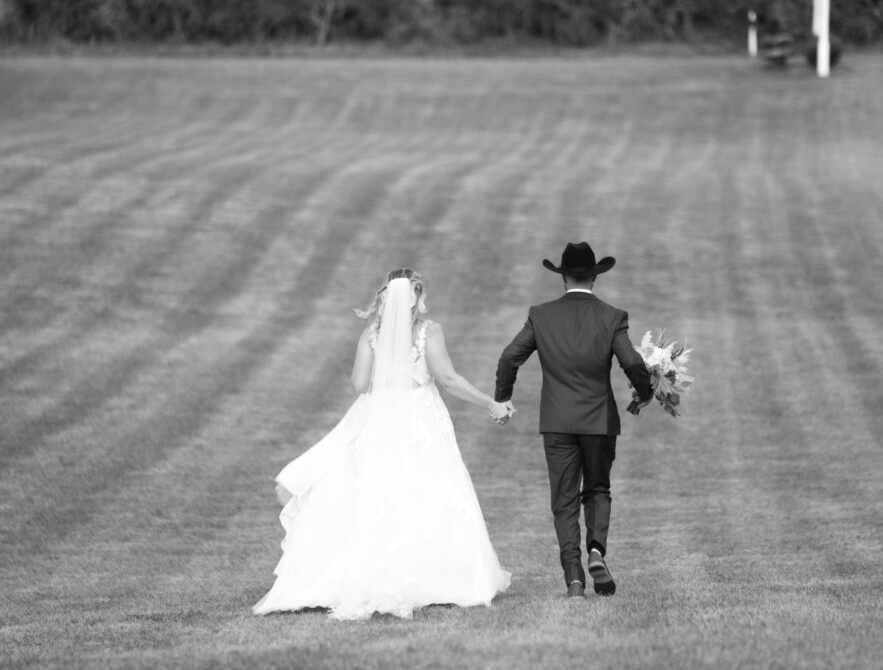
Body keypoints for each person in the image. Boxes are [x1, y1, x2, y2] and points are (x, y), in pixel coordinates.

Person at [253, 268, 512, 620]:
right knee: (428, 489)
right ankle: (433, 576)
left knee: (377, 492)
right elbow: (448, 379)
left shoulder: (371, 333)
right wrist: (490, 403)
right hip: (421, 416)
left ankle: (373, 574)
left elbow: (360, 384)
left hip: (378, 417)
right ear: (416, 297)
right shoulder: (429, 331)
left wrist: (383, 364)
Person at [495, 242, 653, 598]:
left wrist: (503, 396)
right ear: (595, 277)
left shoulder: (542, 314)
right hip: (599, 421)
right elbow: (631, 362)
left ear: (563, 277)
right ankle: (596, 551)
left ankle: (574, 576)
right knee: (597, 489)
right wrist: (645, 392)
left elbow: (509, 358)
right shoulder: (613, 316)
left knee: (564, 500)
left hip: (556, 422)